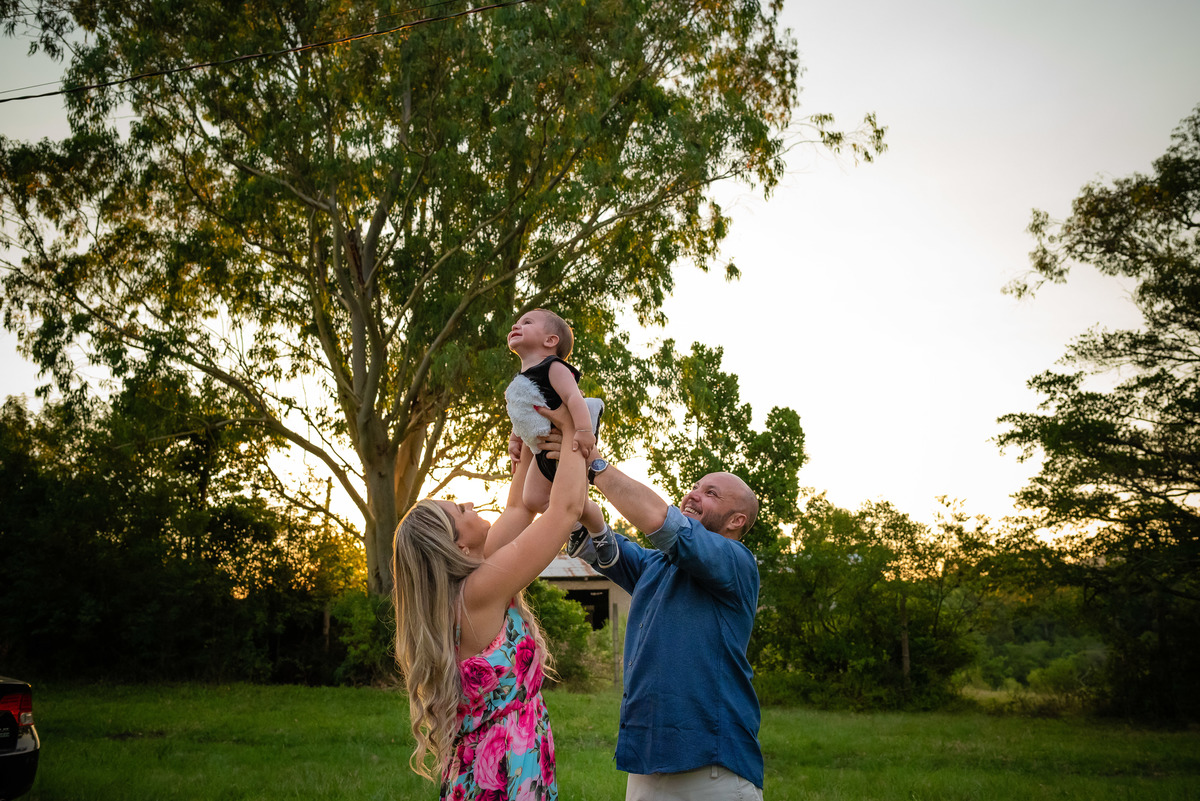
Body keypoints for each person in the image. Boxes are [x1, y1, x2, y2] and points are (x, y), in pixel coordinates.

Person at [542, 433, 765, 800]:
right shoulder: (656, 565)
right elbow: (599, 543)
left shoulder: (737, 562)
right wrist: (557, 460)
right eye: (695, 487)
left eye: (711, 493)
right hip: (645, 765)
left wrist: (595, 465)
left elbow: (663, 522)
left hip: (713, 768)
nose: (693, 494)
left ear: (736, 520)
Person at [391, 403, 588, 800]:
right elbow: (564, 511)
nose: (469, 503)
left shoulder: (472, 584)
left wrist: (528, 439)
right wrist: (574, 431)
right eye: (459, 510)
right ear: (457, 546)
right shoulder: (479, 591)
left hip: (497, 767)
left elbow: (520, 507)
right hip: (503, 773)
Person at [504, 308, 618, 567]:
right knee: (532, 499)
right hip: (541, 449)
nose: (516, 325)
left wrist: (584, 431)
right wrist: (515, 440)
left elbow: (573, 398)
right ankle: (577, 528)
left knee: (575, 501)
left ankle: (600, 531)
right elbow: (522, 412)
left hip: (566, 444)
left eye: (527, 322)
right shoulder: (522, 379)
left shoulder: (553, 367)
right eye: (517, 322)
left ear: (550, 340)